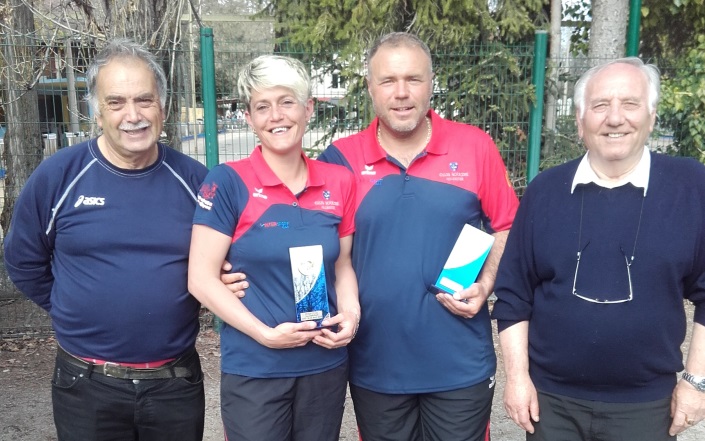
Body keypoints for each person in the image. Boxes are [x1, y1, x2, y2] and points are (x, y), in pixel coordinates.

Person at [3, 38, 246, 441]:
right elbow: (23, 261)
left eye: (144, 100)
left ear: (162, 107)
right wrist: (71, 306)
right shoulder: (59, 176)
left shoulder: (195, 182)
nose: (132, 115)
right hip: (85, 384)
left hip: (174, 383)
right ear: (97, 113)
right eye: (116, 103)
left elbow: (223, 263)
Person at [317, 32, 519, 441]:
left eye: (414, 79)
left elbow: (507, 224)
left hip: (459, 363)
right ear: (371, 88)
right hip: (377, 363)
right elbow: (306, 242)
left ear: (431, 83)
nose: (402, 93)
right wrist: (235, 268)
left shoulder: (474, 146)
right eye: (388, 81)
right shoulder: (340, 159)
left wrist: (485, 284)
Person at [492, 57, 705, 441]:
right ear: (580, 120)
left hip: (646, 408)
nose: (615, 118)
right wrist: (518, 379)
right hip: (551, 405)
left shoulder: (689, 187)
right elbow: (513, 295)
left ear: (652, 116)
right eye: (600, 105)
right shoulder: (545, 191)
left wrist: (695, 382)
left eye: (630, 103)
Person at [188, 54, 360, 441]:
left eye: (286, 102)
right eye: (262, 107)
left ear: (308, 108)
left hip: (324, 364)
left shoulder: (340, 182)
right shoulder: (228, 183)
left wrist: (351, 315)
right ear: (248, 118)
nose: (276, 116)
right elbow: (200, 278)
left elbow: (344, 264)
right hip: (256, 369)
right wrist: (264, 333)